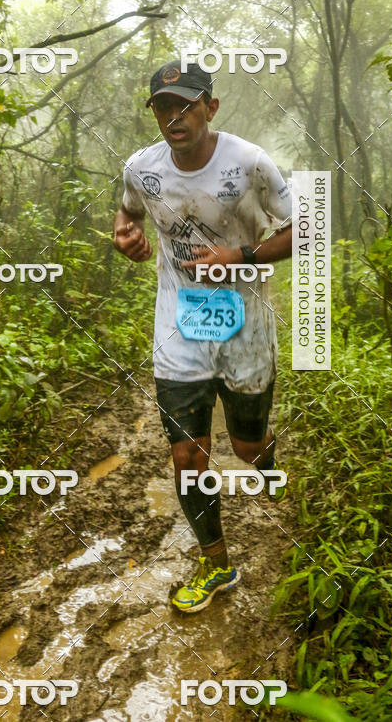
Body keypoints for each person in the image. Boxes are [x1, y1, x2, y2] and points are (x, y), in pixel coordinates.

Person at [112, 59, 292, 613]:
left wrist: (238, 254)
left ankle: (264, 458)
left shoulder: (251, 163)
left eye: (186, 104)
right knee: (187, 456)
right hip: (179, 326)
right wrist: (127, 235)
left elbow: (306, 229)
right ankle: (216, 565)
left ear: (210, 107)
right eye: (164, 107)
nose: (174, 116)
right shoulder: (142, 169)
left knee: (243, 446)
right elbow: (127, 213)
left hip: (246, 325)